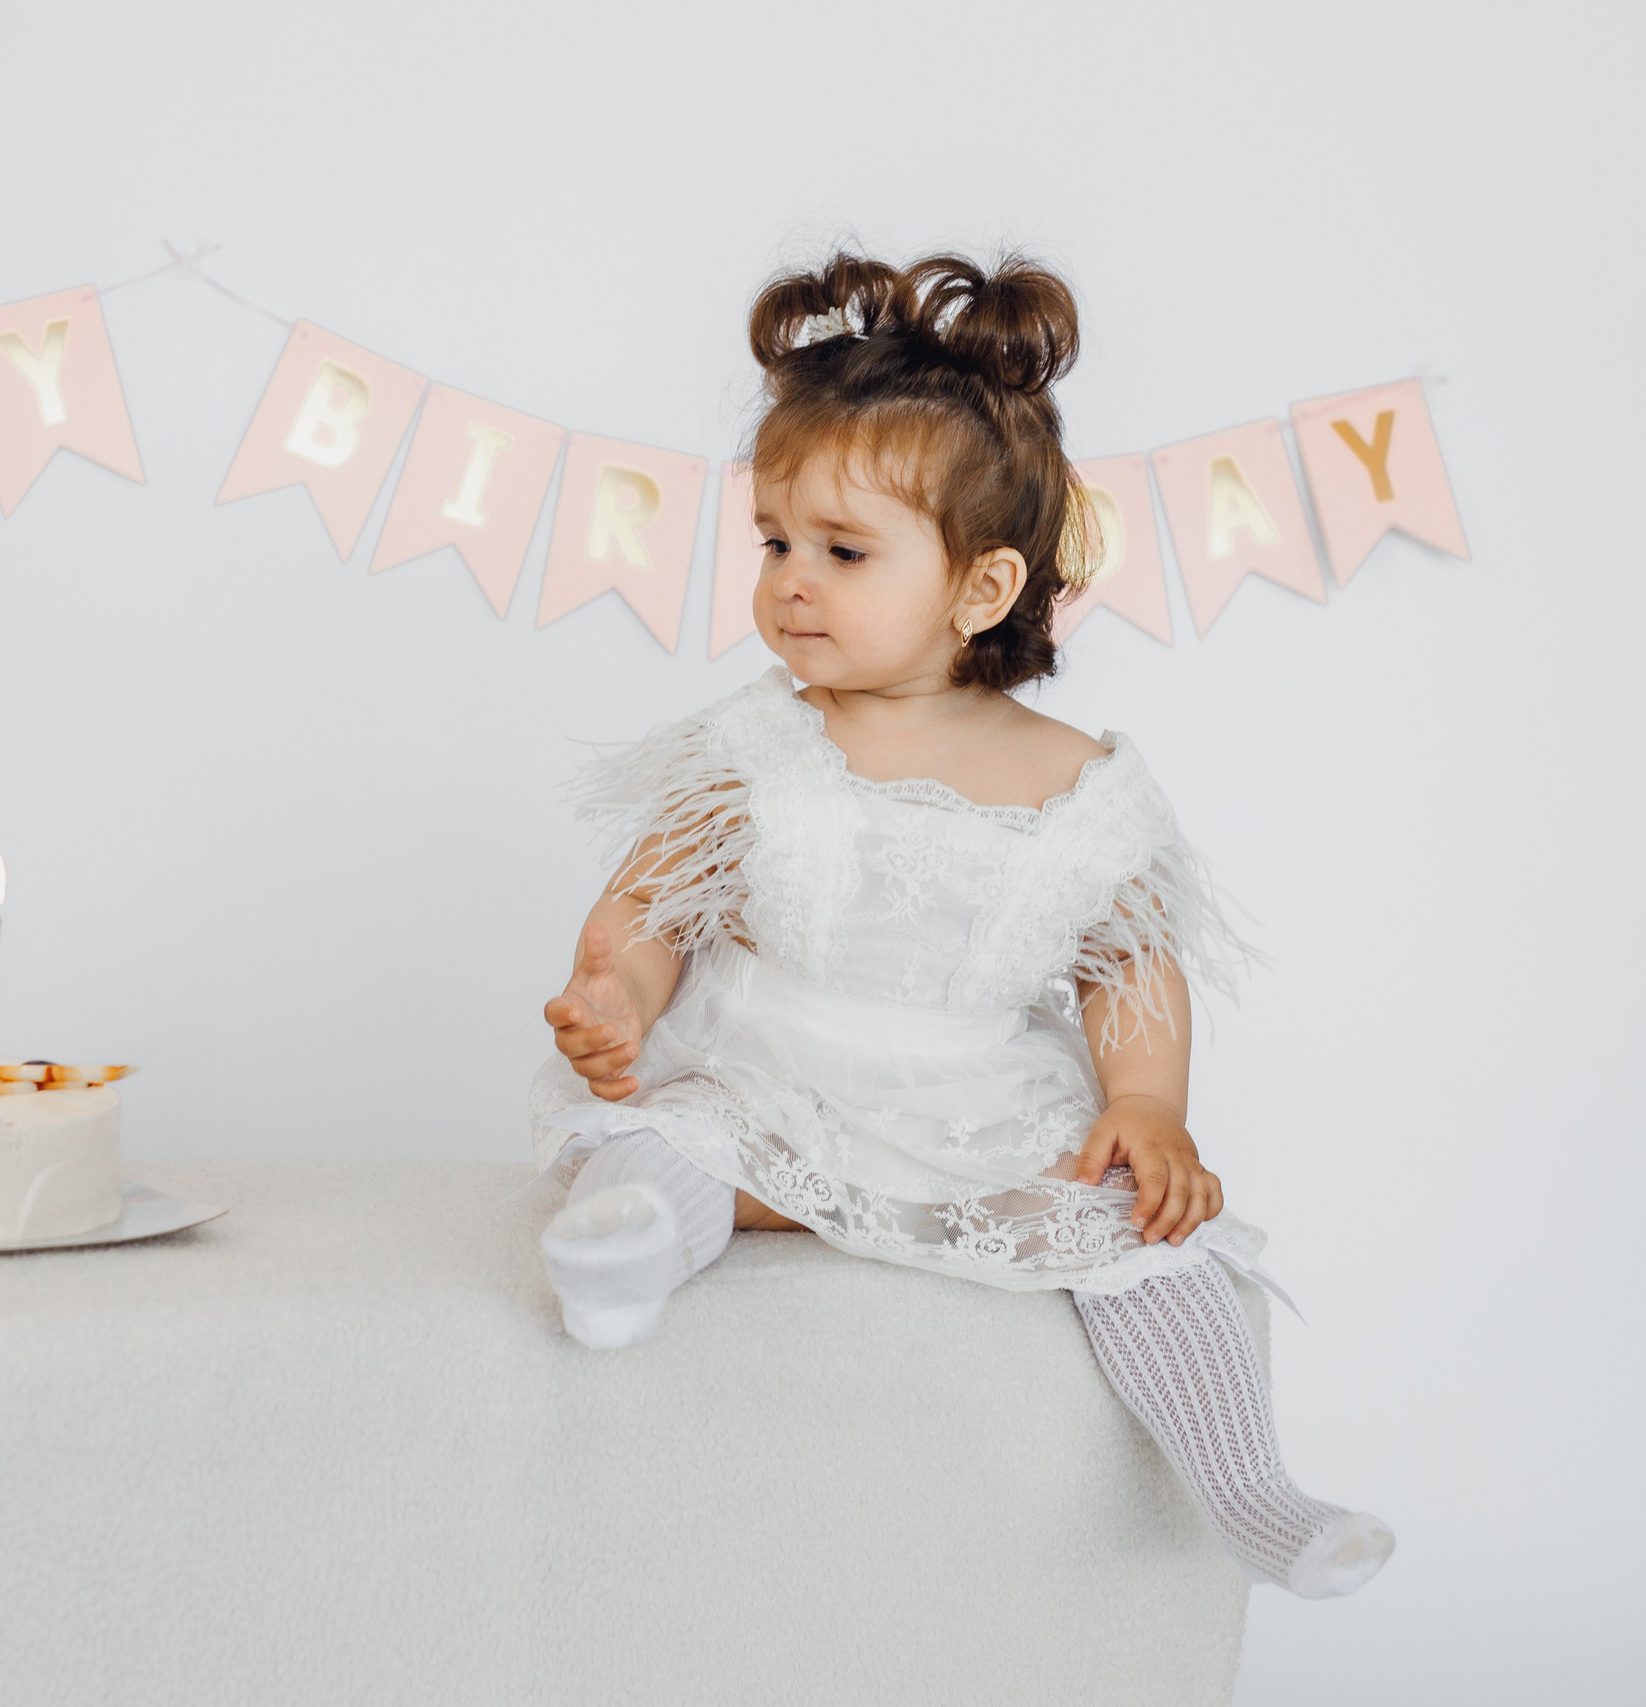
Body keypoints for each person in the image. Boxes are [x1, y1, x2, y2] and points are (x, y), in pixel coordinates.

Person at [530, 250, 1394, 1600]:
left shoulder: (1083, 787)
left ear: (983, 590)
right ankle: (623, 1260)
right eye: (775, 543)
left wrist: (1149, 1104)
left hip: (971, 1106)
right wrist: (618, 996)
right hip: (774, 1084)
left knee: (1150, 1248)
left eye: (843, 551)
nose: (790, 583)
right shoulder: (758, 744)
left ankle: (1255, 1497)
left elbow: (1131, 966)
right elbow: (653, 901)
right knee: (667, 1141)